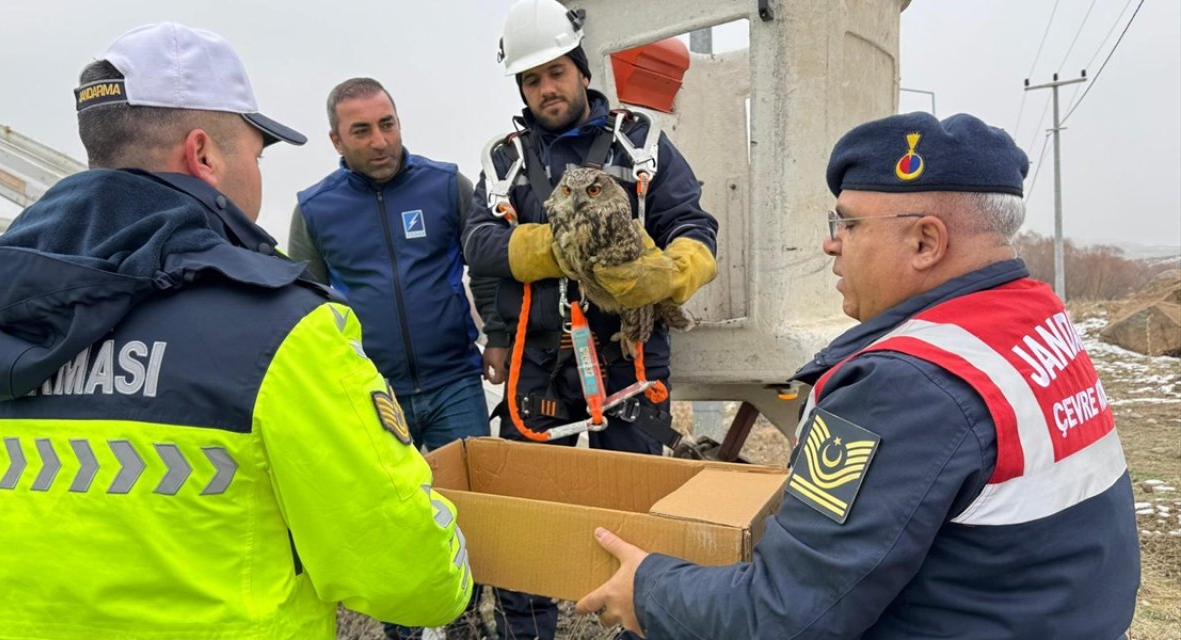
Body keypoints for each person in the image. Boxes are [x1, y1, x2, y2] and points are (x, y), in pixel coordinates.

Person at [0, 23, 471, 639]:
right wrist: (449, 539)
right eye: (256, 153)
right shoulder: (281, 329)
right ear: (204, 155)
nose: (258, 174)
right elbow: (411, 579)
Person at [575, 112, 1141, 639]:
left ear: (925, 241)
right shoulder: (1029, 318)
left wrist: (646, 589)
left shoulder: (905, 386)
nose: (831, 243)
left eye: (847, 222)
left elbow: (785, 616)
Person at [461, 0, 718, 637]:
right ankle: (529, 628)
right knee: (524, 513)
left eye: (556, 72)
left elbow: (692, 223)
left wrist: (675, 270)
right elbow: (478, 244)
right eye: (532, 79)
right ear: (520, 87)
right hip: (539, 360)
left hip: (628, 356)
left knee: (635, 511)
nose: (547, 88)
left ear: (580, 68)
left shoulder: (641, 142)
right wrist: (551, 246)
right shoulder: (505, 163)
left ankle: (643, 621)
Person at [290, 77, 493, 640]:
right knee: (391, 520)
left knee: (474, 509)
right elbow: (303, 308)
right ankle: (405, 631)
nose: (380, 141)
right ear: (336, 140)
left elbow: (489, 265)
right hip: (374, 396)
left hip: (455, 377)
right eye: (362, 130)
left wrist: (496, 335)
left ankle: (472, 621)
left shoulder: (445, 186)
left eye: (388, 124)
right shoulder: (315, 211)